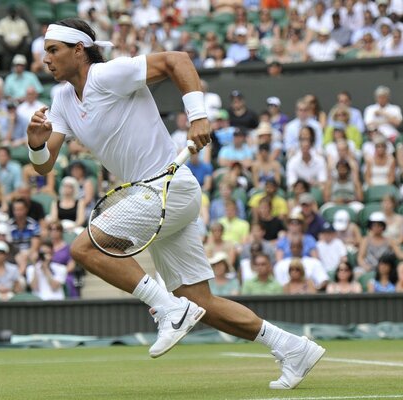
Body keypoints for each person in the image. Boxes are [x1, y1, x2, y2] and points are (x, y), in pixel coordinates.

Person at [27, 19, 325, 388]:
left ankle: (167, 308)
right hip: (153, 195)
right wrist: (36, 143)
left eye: (53, 50)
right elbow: (44, 165)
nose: (46, 59)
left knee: (86, 248)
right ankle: (293, 347)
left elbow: (178, 60)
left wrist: (198, 116)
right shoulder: (61, 101)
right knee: (200, 301)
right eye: (45, 52)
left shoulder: (107, 75)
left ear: (78, 50)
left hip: (168, 188)